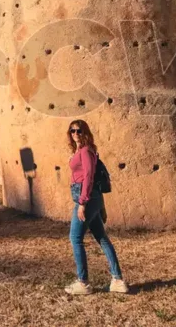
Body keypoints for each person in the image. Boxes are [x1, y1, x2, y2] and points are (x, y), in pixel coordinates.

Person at [65, 119, 128, 295]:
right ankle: (117, 280)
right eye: (72, 131)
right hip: (94, 199)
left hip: (86, 198)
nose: (76, 134)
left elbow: (88, 177)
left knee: (75, 238)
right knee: (102, 237)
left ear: (86, 132)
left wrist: (82, 203)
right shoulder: (82, 150)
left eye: (79, 131)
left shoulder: (85, 151)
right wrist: (100, 207)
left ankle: (83, 282)